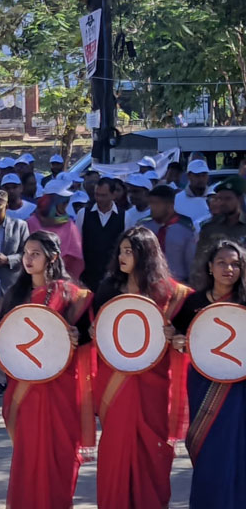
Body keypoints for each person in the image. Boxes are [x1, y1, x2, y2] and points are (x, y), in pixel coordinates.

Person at [91, 226, 192, 509]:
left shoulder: (173, 294)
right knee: (115, 451)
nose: (122, 257)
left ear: (145, 254)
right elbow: (97, 329)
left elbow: (190, 332)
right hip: (116, 382)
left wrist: (178, 337)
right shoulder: (108, 287)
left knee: (154, 454)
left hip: (154, 385)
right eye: (121, 250)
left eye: (129, 251)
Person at [0, 231, 94, 509]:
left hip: (61, 388)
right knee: (29, 456)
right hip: (25, 388)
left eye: (35, 253)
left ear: (52, 257)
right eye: (26, 252)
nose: (28, 258)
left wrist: (78, 336)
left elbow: (89, 336)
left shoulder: (74, 295)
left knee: (60, 455)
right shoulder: (16, 295)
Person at [170, 241, 246, 508]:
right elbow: (176, 336)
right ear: (210, 268)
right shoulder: (194, 302)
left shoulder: (244, 300)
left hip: (240, 387)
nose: (229, 268)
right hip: (203, 381)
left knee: (238, 446)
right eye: (222, 263)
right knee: (209, 446)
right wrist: (176, 341)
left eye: (235, 264)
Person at [27, 179, 84, 280]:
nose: (65, 204)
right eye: (62, 200)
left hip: (62, 281)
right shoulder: (31, 223)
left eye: (67, 200)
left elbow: (76, 258)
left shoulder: (69, 225)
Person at [75, 177, 125, 291]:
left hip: (113, 277)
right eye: (97, 195)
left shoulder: (125, 217)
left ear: (113, 195)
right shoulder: (83, 214)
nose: (99, 199)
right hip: (88, 276)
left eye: (104, 195)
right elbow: (78, 245)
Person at [140, 185, 196, 283]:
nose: (152, 207)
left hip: (178, 284)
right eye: (151, 203)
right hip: (149, 283)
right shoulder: (144, 227)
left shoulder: (185, 229)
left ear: (170, 205)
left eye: (156, 203)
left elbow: (191, 263)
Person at [0, 188, 29, 294]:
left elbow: (27, 254)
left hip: (10, 285)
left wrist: (8, 260)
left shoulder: (19, 226)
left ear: (6, 207)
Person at [175, 159, 211, 224]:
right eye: (197, 175)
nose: (201, 179)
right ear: (189, 176)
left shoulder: (215, 199)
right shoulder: (177, 199)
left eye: (204, 175)